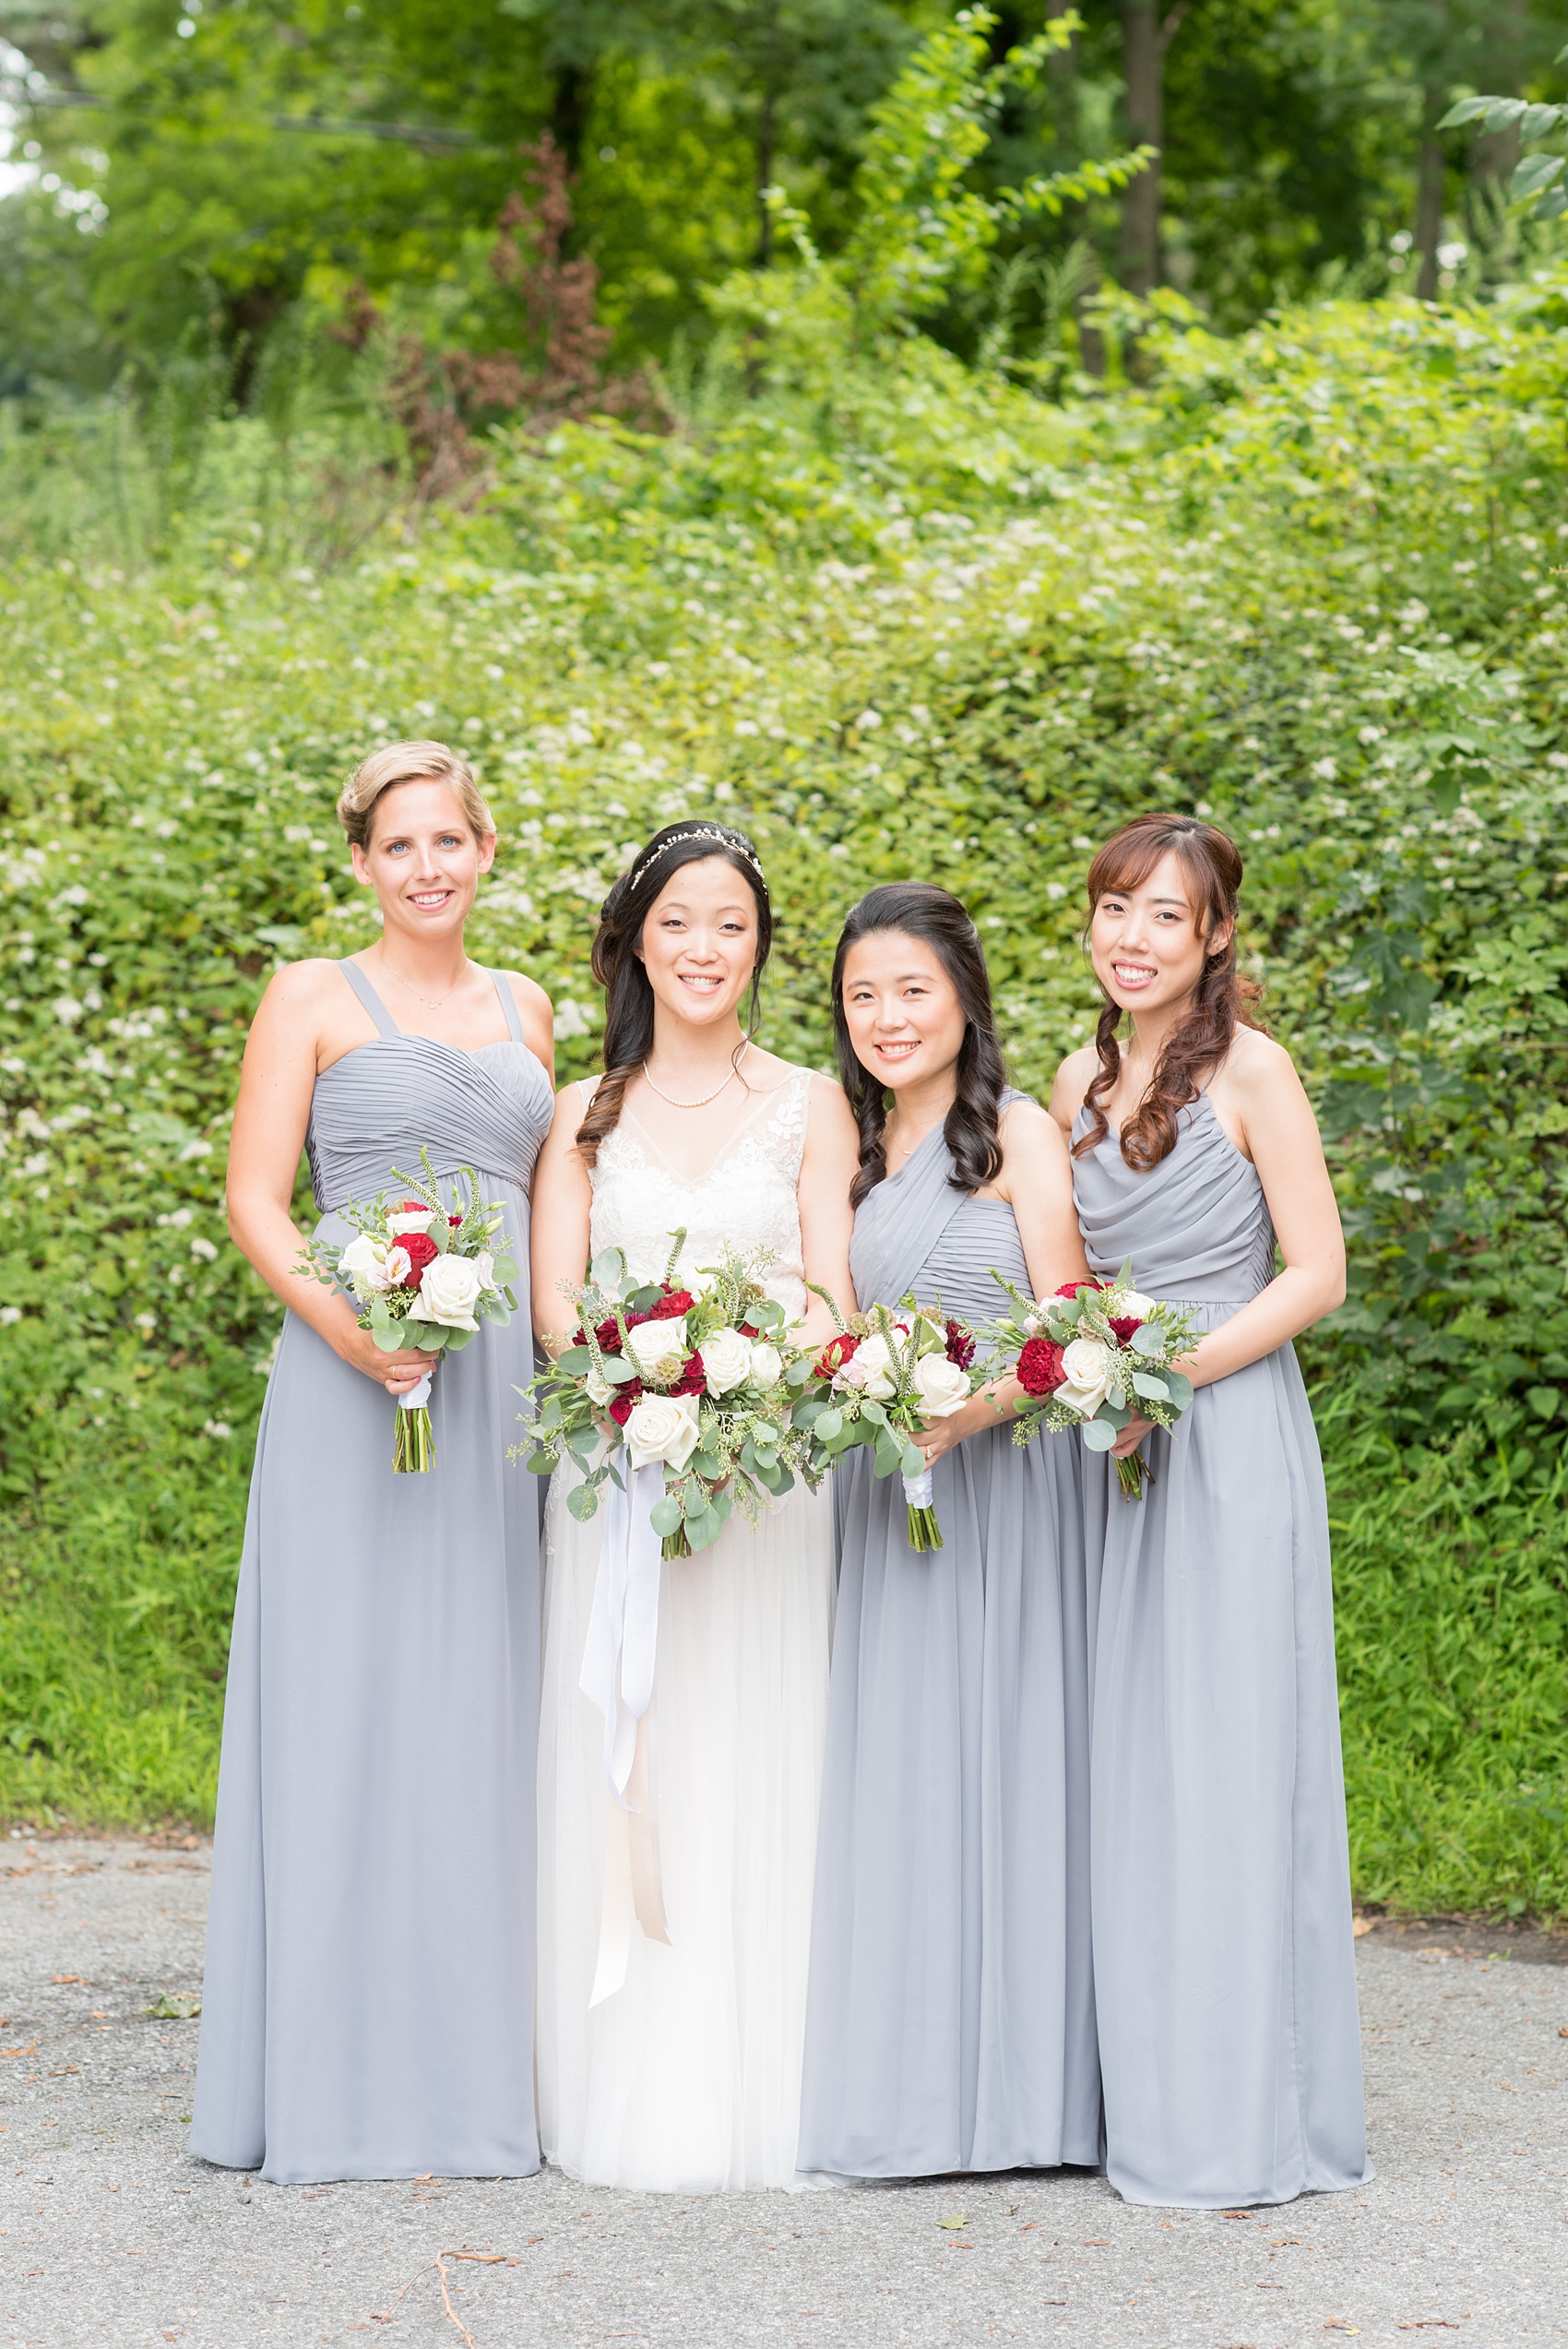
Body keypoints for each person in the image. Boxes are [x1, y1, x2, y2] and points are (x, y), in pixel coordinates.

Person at [190, 740, 555, 2185]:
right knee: (348, 1696)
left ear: (485, 849)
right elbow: (255, 1198)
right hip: (358, 1384)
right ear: (362, 862)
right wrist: (356, 1335)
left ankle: (470, 2068)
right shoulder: (308, 997)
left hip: (497, 1396)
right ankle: (331, 2073)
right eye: (398, 846)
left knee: (477, 1700)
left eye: (449, 841)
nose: (427, 868)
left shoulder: (527, 1008)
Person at [1049, 811, 1371, 2210]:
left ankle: (1244, 2122)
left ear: (1216, 933)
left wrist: (1165, 1373)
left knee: (1229, 1766)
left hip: (1227, 1435)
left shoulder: (1255, 1070)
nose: (1132, 938)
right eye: (1115, 910)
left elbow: (1318, 1273)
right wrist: (1088, 1369)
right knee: (1137, 1772)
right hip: (1112, 1450)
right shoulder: (1074, 1076)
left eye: (1165, 916)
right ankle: (1150, 2096)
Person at [531, 821, 858, 2193]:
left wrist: (742, 1400)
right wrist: (635, 1390)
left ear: (760, 945)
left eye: (730, 924)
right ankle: (624, 2088)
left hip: (767, 1485)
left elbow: (835, 1296)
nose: (704, 949)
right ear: (636, 941)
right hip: (618, 1480)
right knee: (634, 1745)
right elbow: (557, 1306)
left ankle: (767, 2091)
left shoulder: (809, 1103)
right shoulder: (583, 1108)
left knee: (755, 1756)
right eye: (679, 923)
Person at [796, 882, 1100, 2179]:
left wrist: (967, 1412)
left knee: (1017, 1771)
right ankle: (913, 2088)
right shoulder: (850, 1156)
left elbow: (1073, 1312)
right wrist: (859, 1394)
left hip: (1008, 1486)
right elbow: (821, 1319)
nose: (887, 1016)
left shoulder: (1020, 1134)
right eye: (863, 995)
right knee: (905, 1780)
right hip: (889, 1492)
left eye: (911, 988)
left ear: (964, 998)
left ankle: (1033, 2101)